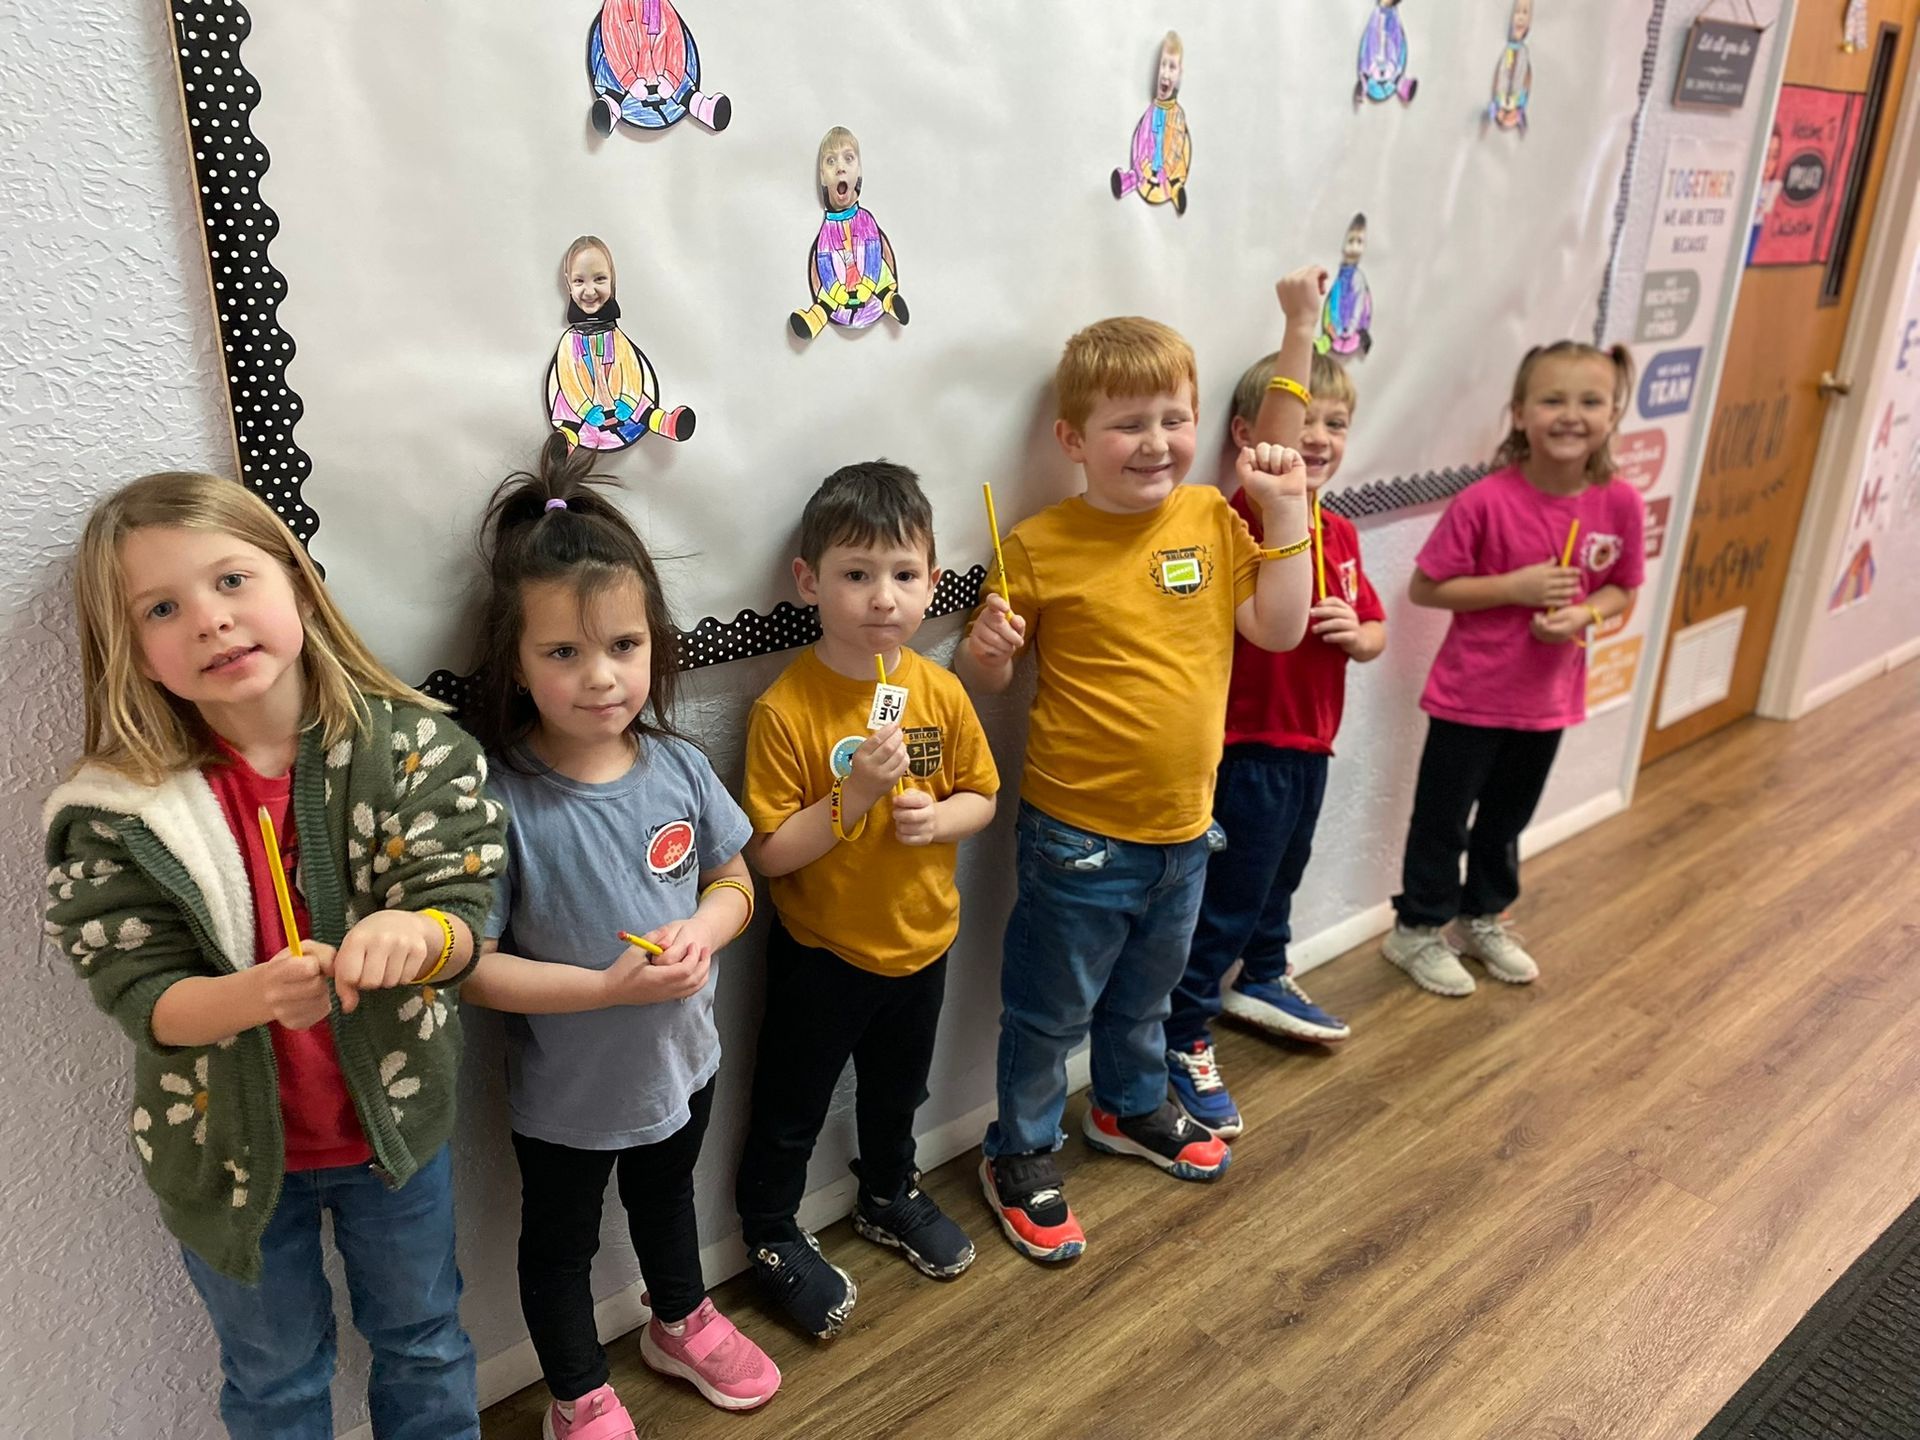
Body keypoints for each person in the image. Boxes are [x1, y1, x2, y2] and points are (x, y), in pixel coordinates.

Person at [44, 470, 506, 1439]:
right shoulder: (116, 815)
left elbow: (466, 907)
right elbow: (141, 996)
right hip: (226, 1158)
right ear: (133, 652)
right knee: (275, 1382)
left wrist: (413, 934)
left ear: (296, 585)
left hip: (395, 1138)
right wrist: (247, 998)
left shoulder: (414, 748)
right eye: (163, 608)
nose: (209, 621)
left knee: (424, 1342)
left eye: (231, 582)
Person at [956, 314, 1313, 1260]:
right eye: (1128, 424)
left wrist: (1287, 514)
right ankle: (1020, 1151)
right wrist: (985, 655)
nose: (1156, 443)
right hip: (1078, 835)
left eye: (1174, 418)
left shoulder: (1207, 516)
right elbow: (986, 680)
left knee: (1145, 998)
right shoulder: (1037, 545)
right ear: (1072, 441)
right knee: (1046, 1013)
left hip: (1186, 831)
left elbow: (1277, 630)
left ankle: (1127, 1104)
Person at [461, 436, 779, 1427]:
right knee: (557, 1246)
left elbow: (735, 878)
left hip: (682, 1064)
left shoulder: (678, 767)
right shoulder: (503, 800)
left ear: (655, 644)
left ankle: (677, 1317)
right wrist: (603, 989)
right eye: (563, 652)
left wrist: (705, 932)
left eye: (623, 647)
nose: (601, 677)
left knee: (668, 1202)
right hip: (565, 1097)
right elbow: (472, 969)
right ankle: (576, 1393)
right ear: (517, 661)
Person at [735, 461, 999, 1337]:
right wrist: (851, 801)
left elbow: (983, 795)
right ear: (810, 581)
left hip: (922, 943)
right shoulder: (787, 709)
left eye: (904, 574)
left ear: (931, 578)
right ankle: (770, 1230)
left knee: (898, 1093)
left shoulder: (941, 690)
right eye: (857, 574)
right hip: (824, 954)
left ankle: (888, 1190)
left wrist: (938, 820)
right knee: (791, 1106)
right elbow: (770, 854)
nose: (883, 598)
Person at [1166, 273, 1387, 1138]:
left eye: (1340, 423)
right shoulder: (1251, 514)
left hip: (1310, 744)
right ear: (1249, 440)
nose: (1321, 439)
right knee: (1226, 897)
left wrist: (1358, 635)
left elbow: (1371, 626)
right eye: (1308, 423)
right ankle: (1181, 1033)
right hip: (1246, 745)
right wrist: (1301, 324)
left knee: (1278, 880)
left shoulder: (1340, 531)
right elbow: (1283, 456)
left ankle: (1263, 973)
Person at [1384, 342, 1646, 996]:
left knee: (1506, 821)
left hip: (1547, 700)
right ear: (1520, 413)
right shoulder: (1484, 501)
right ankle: (1416, 929)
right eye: (1552, 400)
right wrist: (1516, 587)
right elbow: (1427, 589)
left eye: (1590, 401)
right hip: (1469, 697)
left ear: (1614, 413)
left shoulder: (1621, 505)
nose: (1570, 415)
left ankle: (1483, 917)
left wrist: (1582, 615)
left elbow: (1623, 589)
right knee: (1443, 820)